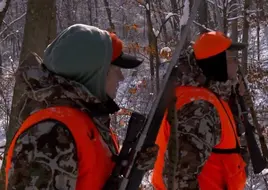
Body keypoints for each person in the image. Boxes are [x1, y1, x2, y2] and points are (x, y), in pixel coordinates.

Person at [4, 24, 156, 190]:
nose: (120, 77)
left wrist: (133, 170)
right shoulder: (51, 133)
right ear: (94, 74)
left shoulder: (84, 120)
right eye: (115, 69)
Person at [151, 31, 248, 190]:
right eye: (233, 59)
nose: (238, 64)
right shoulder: (200, 107)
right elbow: (179, 179)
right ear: (218, 64)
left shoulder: (203, 96)